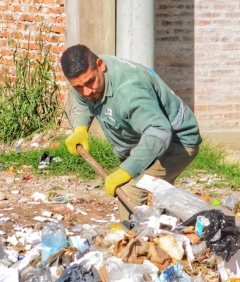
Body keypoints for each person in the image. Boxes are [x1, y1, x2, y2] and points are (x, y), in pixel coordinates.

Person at [61, 44, 201, 218]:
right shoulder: (87, 77)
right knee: (158, 196)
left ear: (100, 65)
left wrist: (127, 170)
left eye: (90, 82)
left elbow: (158, 132)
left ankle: (132, 240)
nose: (87, 91)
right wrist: (80, 128)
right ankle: (163, 230)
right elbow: (83, 101)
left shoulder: (129, 91)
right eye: (78, 87)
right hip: (145, 142)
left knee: (131, 193)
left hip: (176, 142)